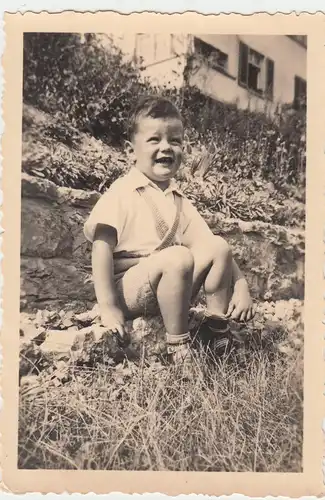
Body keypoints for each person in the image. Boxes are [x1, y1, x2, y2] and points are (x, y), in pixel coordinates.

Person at [84, 95, 255, 365]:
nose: (166, 147)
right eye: (154, 140)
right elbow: (101, 246)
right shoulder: (122, 192)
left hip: (171, 281)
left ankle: (215, 327)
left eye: (174, 141)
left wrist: (242, 285)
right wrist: (108, 305)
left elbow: (209, 244)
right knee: (178, 256)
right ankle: (178, 347)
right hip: (130, 287)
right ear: (131, 151)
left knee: (219, 247)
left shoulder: (178, 199)